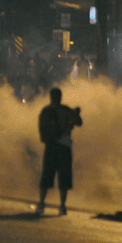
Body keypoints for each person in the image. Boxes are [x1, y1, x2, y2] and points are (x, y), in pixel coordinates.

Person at [36, 87, 82, 216]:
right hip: (64, 147)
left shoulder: (46, 111)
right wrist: (76, 114)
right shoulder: (65, 110)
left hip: (51, 146)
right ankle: (62, 206)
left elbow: (42, 129)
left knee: (47, 176)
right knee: (63, 178)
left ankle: (41, 204)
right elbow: (78, 122)